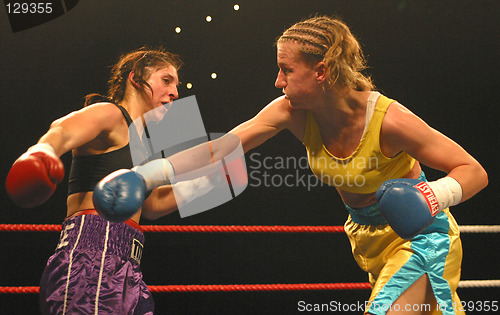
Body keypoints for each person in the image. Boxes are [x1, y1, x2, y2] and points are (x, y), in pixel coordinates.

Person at [93, 16, 488, 314]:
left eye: (287, 70)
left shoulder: (389, 119)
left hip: (420, 236)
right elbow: (219, 149)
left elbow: (473, 170)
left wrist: (431, 195)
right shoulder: (292, 112)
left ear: (321, 72)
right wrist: (147, 174)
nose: (278, 81)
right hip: (366, 240)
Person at [5, 47, 215, 314]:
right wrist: (43, 151)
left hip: (127, 266)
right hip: (89, 263)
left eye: (176, 84)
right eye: (166, 80)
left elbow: (152, 205)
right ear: (136, 79)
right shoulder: (111, 114)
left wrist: (204, 183)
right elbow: (62, 130)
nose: (175, 92)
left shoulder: (144, 146)